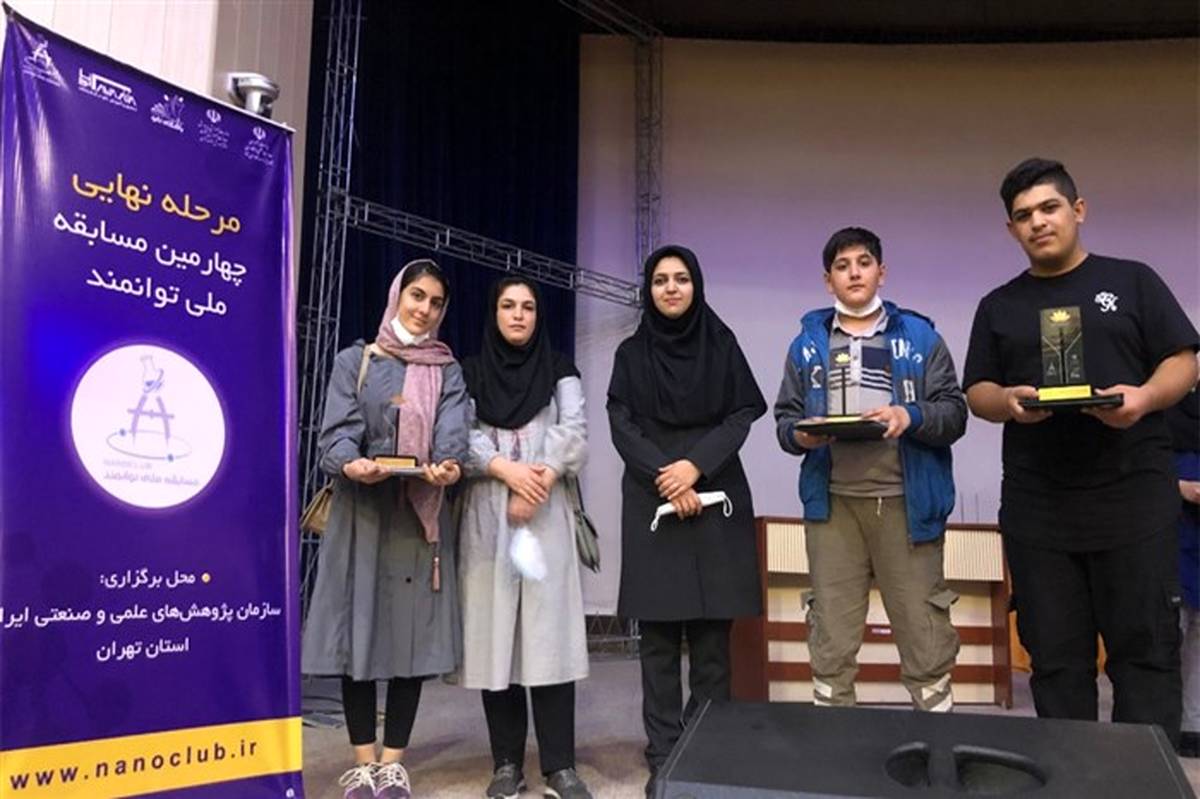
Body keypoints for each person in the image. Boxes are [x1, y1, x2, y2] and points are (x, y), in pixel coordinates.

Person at [962, 158, 1199, 747]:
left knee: (1145, 657)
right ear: (1011, 229)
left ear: (1078, 210)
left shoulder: (1134, 281)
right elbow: (978, 391)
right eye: (1023, 215)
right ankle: (1071, 778)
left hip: (1134, 501)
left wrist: (1143, 398)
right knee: (1056, 663)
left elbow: (1184, 361)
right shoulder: (999, 305)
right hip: (1040, 511)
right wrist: (1007, 402)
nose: (1038, 222)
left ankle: (1143, 781)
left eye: (1049, 208)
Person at [773, 226, 967, 712]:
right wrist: (803, 435)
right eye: (842, 266)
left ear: (882, 272)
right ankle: (834, 746)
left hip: (908, 506)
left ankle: (938, 745)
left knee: (924, 635)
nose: (854, 273)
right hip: (834, 508)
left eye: (864, 263)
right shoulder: (807, 344)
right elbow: (785, 421)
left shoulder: (921, 336)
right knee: (831, 638)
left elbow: (955, 413)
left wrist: (910, 415)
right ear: (828, 280)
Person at [302, 259, 469, 799]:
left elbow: (453, 434)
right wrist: (352, 463)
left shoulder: (447, 370)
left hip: (418, 518)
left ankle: (393, 763)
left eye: (435, 302)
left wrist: (449, 464)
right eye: (417, 296)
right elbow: (335, 436)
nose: (424, 309)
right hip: (364, 514)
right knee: (356, 635)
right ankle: (362, 763)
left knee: (409, 640)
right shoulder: (356, 360)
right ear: (398, 295)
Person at [607, 244, 766, 798]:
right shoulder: (631, 353)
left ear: (696, 285)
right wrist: (667, 476)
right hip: (651, 496)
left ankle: (708, 754)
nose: (671, 288)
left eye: (681, 279)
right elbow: (621, 422)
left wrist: (695, 467)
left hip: (715, 489)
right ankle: (665, 757)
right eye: (660, 280)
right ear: (648, 290)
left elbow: (742, 413)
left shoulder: (722, 343)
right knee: (656, 642)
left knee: (711, 642)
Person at [459, 277, 592, 799]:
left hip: (545, 511)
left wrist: (536, 481)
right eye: (508, 306)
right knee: (497, 637)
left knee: (548, 633)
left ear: (539, 315)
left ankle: (560, 766)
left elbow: (574, 431)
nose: (518, 315)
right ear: (493, 313)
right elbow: (459, 434)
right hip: (488, 515)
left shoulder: (561, 370)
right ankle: (506, 764)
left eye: (528, 307)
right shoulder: (469, 372)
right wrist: (505, 471)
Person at [1166, 367, 1199, 757]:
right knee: (1169, 632)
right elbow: (1144, 469)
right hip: (1172, 534)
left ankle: (1194, 724)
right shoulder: (1168, 411)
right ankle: (1167, 721)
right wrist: (1180, 489)